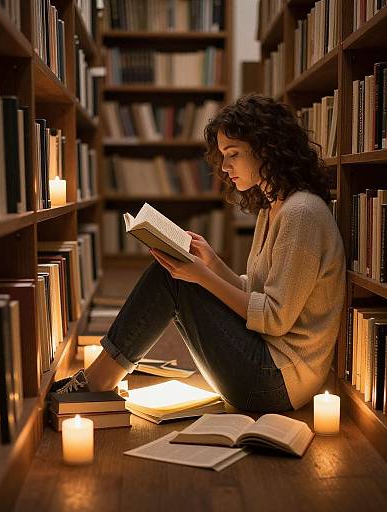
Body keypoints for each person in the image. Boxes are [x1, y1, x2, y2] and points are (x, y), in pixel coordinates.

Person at [51, 94, 346, 412]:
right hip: (267, 363)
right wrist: (213, 264)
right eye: (222, 155)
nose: (225, 166)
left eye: (233, 154)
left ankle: (96, 384)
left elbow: (273, 318)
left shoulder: (301, 213)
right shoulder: (273, 208)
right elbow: (259, 294)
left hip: (276, 383)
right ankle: (98, 381)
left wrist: (202, 276)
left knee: (173, 278)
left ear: (267, 149)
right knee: (176, 271)